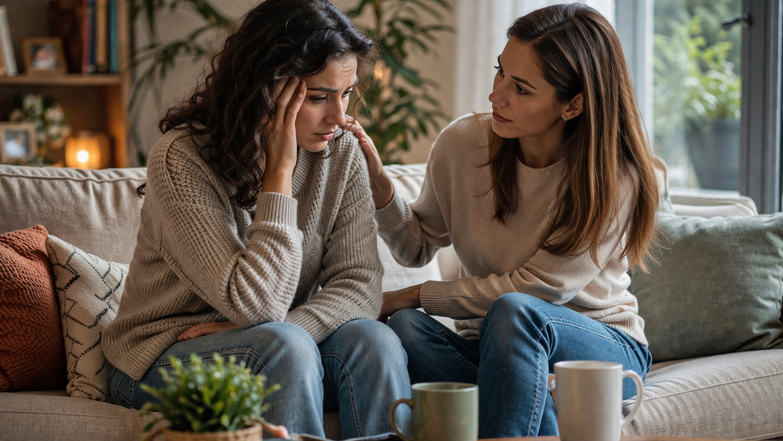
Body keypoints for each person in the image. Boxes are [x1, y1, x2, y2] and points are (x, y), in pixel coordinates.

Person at [350, 3, 659, 438]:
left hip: (602, 346)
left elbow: (537, 291)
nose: (497, 95)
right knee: (406, 329)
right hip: (492, 346)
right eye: (500, 72)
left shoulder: (613, 178)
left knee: (515, 311)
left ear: (573, 105)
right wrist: (381, 185)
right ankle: (530, 401)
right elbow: (415, 246)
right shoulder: (462, 145)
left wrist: (415, 294)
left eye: (522, 88)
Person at [103, 1, 411, 438]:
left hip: (276, 342)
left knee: (374, 342)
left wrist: (293, 326)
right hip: (162, 354)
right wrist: (279, 174)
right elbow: (257, 304)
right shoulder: (182, 160)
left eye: (346, 93)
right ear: (265, 88)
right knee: (285, 346)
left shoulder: (342, 152)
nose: (339, 117)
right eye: (319, 97)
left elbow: (360, 286)